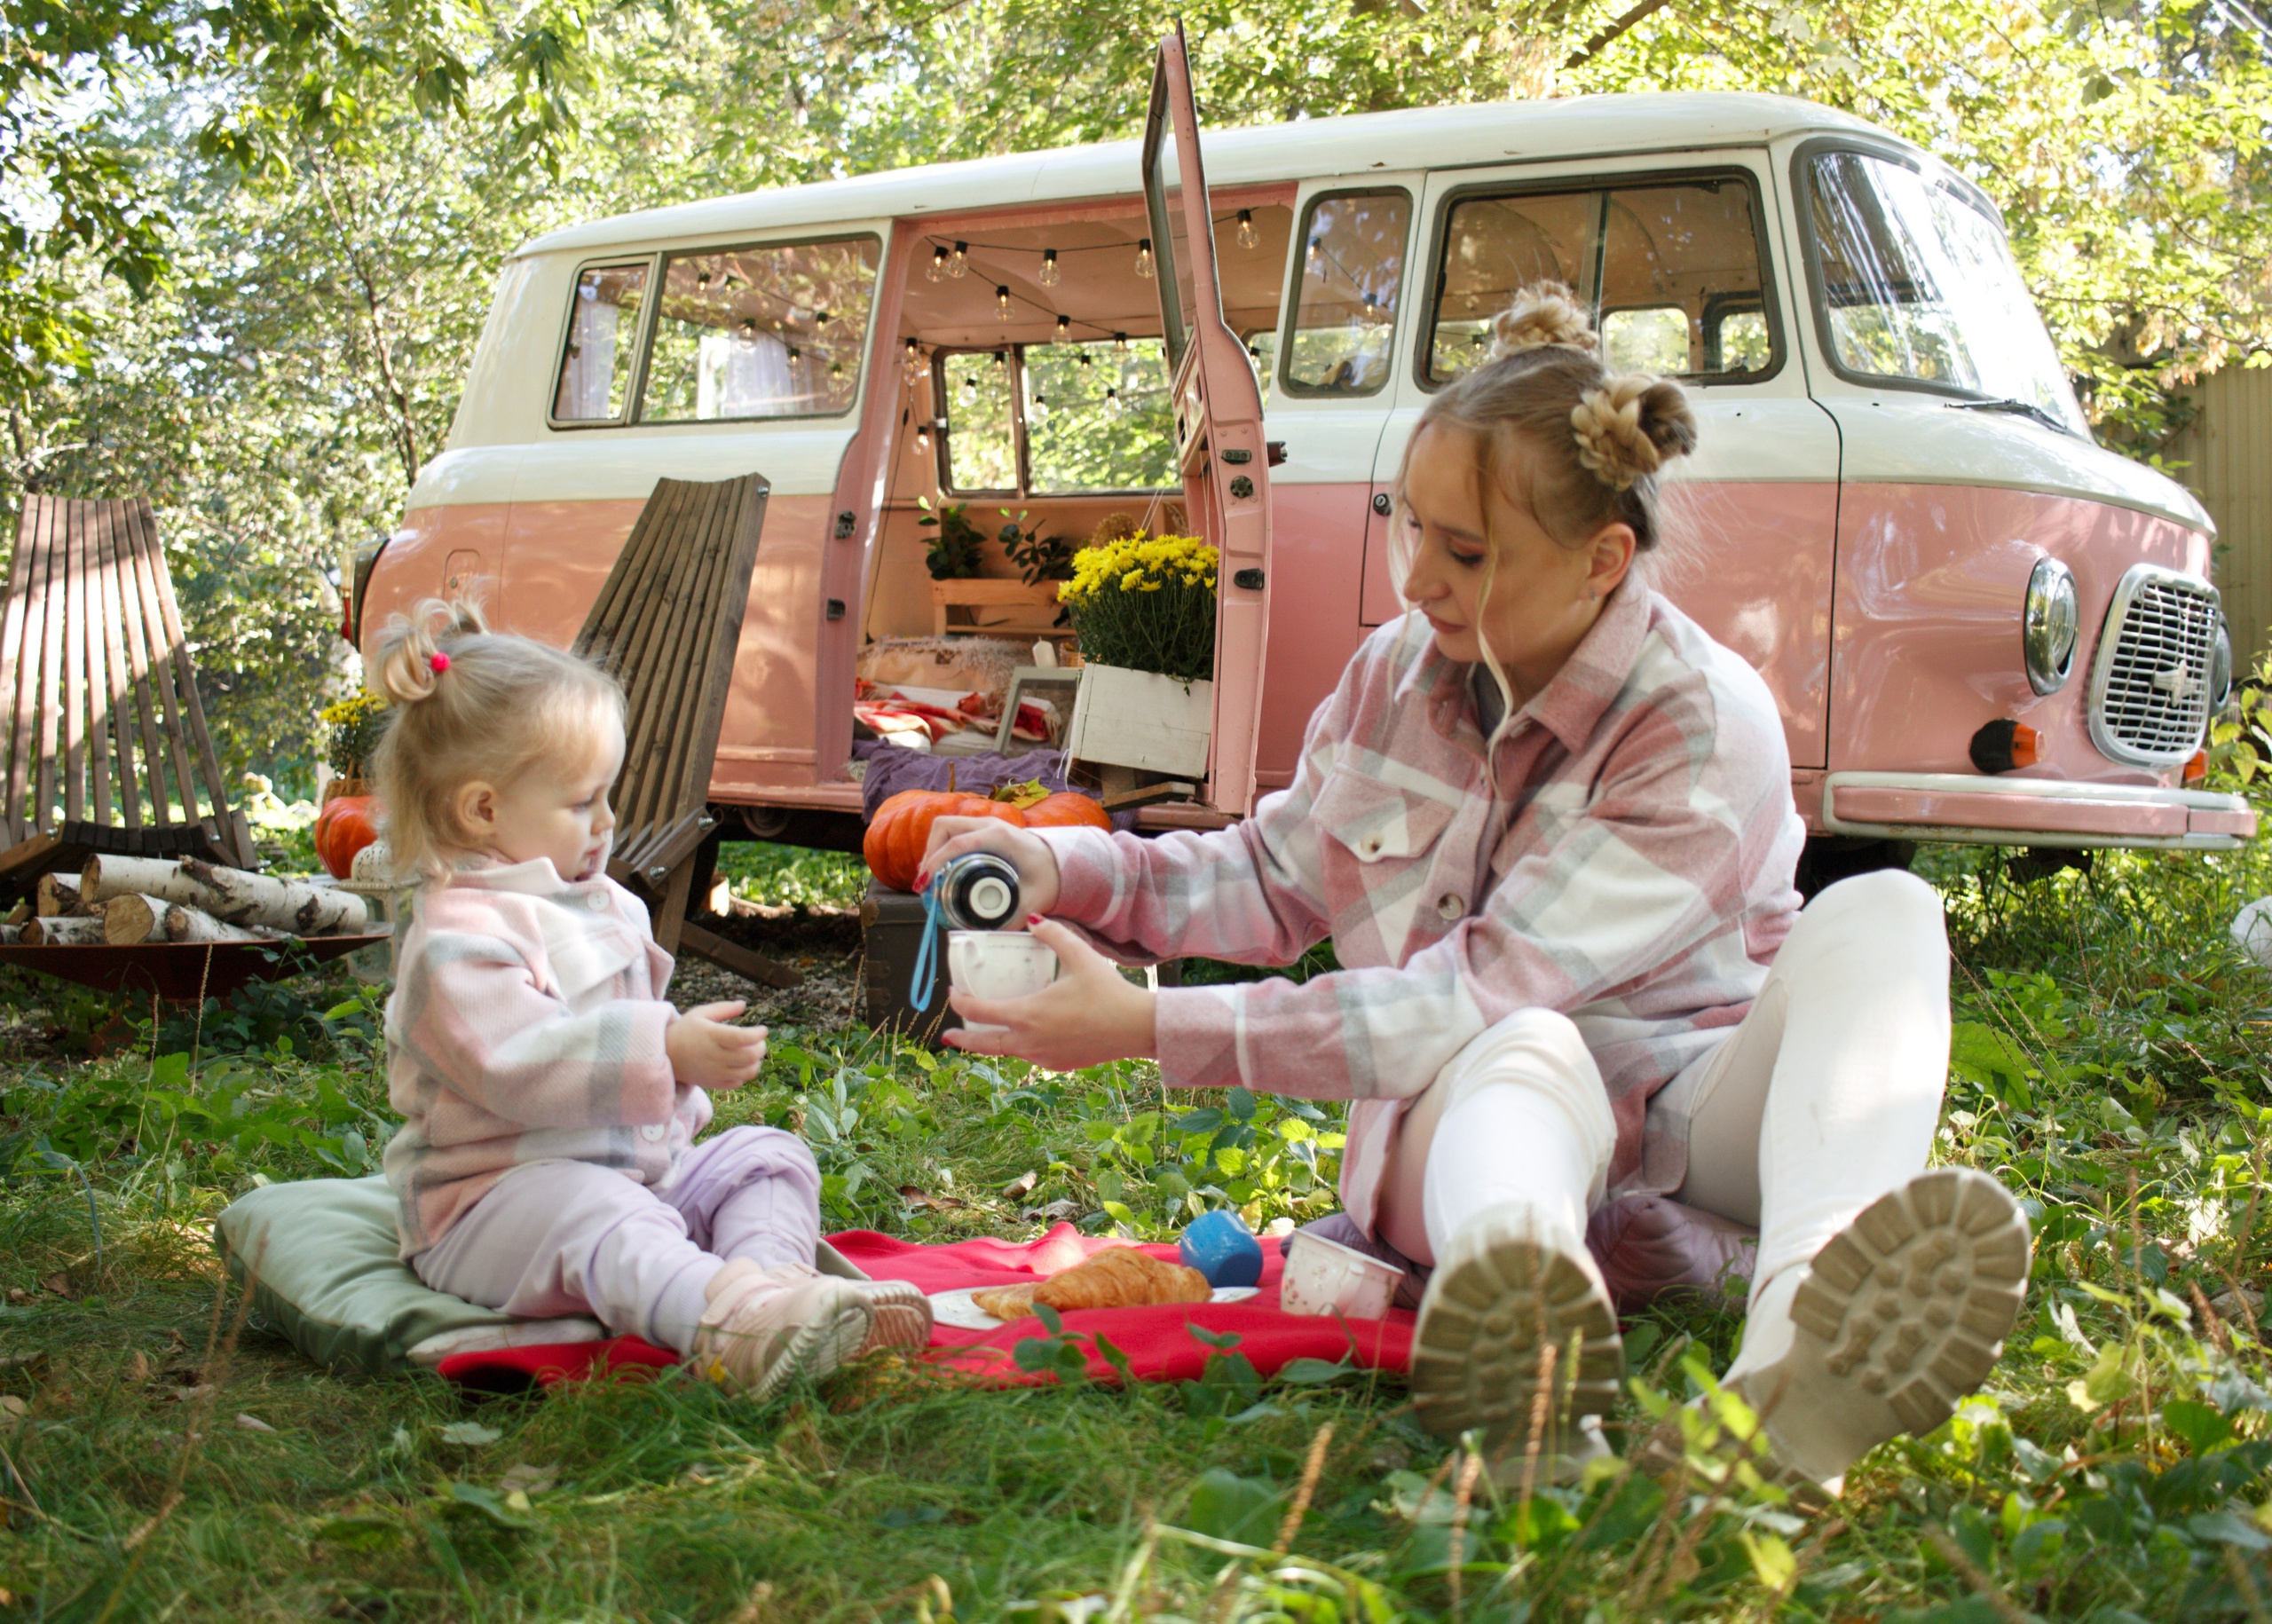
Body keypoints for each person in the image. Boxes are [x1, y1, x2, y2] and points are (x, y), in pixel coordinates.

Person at [918, 287, 2030, 1493]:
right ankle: (1533, 1350)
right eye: (1411, 529)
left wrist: (1144, 1022)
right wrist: (1062, 859)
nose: (1418, 582)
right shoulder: (1399, 669)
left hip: (1678, 1121)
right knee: (1525, 1042)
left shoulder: (1704, 728)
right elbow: (1272, 874)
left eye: (1468, 553)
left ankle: (1806, 1328)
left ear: (1604, 560)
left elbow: (1467, 991)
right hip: (1482, 1134)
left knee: (1888, 911)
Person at [368, 600, 929, 1396]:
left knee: (765, 1156)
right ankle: (728, 1328)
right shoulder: (457, 936)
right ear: (483, 809)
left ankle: (775, 1300)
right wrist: (662, 1048)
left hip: (637, 1179)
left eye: (607, 795)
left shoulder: (594, 901)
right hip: (495, 1205)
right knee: (597, 1212)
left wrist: (680, 1099)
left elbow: (638, 1091)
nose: (607, 822)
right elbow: (516, 1064)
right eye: (579, 802)